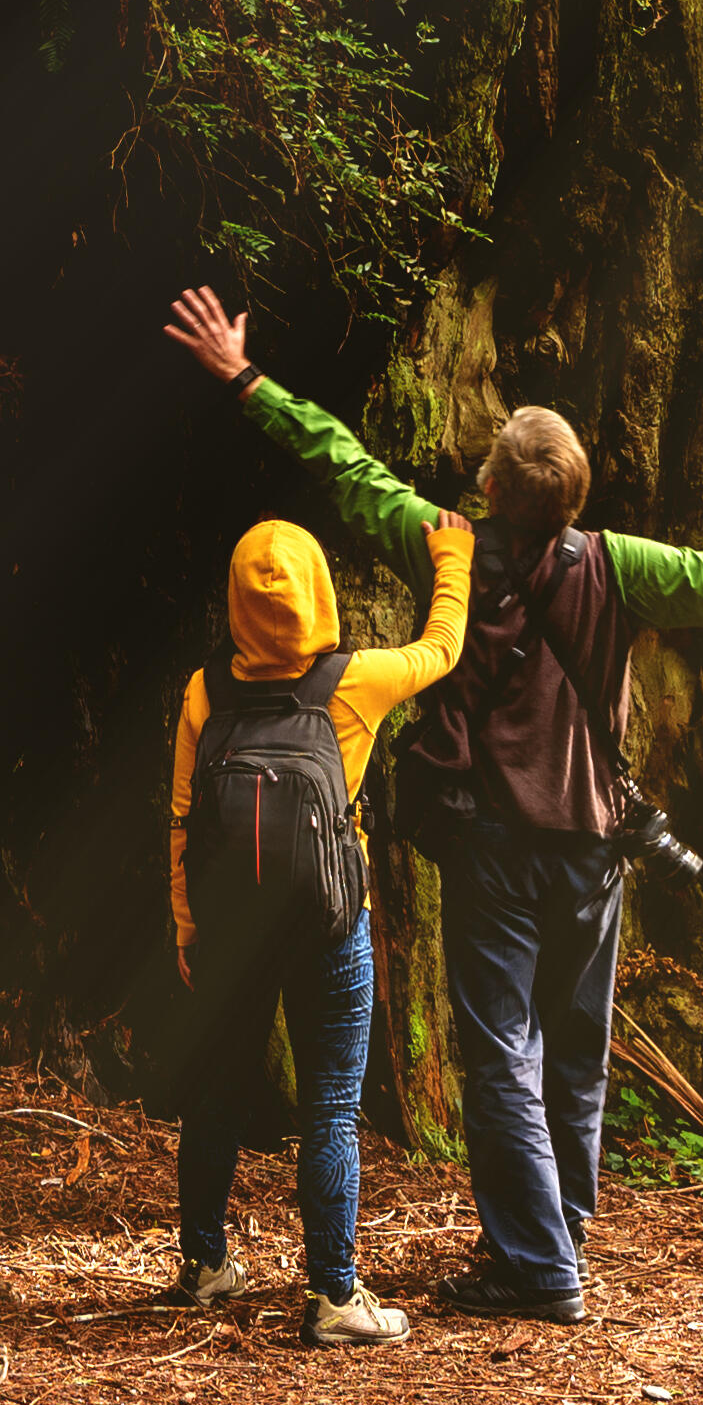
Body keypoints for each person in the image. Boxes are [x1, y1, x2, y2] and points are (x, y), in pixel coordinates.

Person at [158, 283, 703, 1326]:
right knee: (574, 1044)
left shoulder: (443, 539)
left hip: (494, 845)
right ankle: (557, 1224)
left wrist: (243, 375)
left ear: (493, 482)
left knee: (500, 1045)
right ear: (572, 497)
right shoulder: (617, 564)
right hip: (595, 841)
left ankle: (538, 1263)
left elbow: (340, 462)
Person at [153, 406, 469, 1347]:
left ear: (236, 604)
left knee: (213, 1091)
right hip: (332, 926)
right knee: (330, 1104)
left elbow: (179, 817)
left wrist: (185, 924)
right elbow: (443, 648)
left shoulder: (205, 691)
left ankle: (205, 1264)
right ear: (321, 594)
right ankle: (333, 1296)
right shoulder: (355, 683)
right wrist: (450, 557)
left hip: (229, 927)